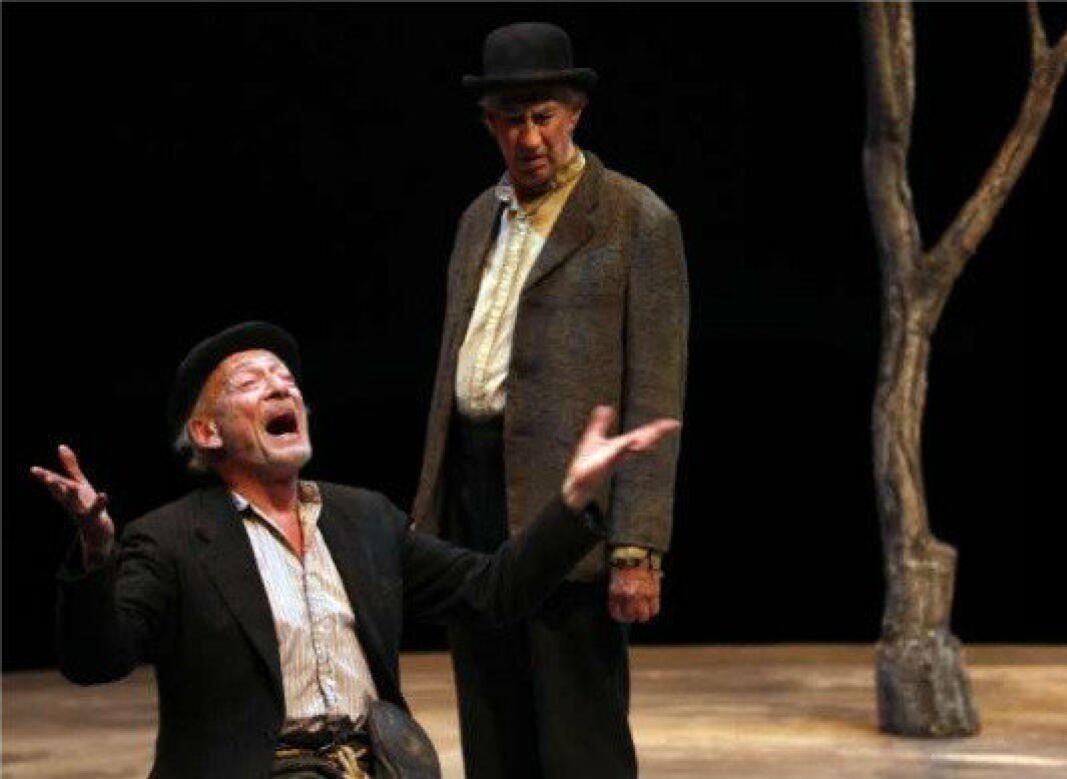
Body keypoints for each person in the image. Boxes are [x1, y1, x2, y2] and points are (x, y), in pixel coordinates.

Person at [31, 321, 679, 779]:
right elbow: (97, 659)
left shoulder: (364, 518)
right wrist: (96, 553)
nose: (282, 387)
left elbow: (493, 590)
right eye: (253, 382)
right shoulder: (172, 538)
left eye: (286, 379)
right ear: (205, 431)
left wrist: (571, 499)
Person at [412, 22, 689, 779]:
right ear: (488, 123)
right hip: (473, 501)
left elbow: (657, 390)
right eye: (510, 118)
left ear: (574, 113)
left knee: (578, 731)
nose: (527, 136)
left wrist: (637, 547)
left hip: (570, 511)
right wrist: (429, 515)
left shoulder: (635, 219)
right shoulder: (479, 218)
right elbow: (451, 370)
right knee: (491, 719)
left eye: (542, 116)